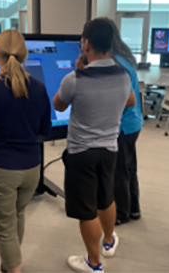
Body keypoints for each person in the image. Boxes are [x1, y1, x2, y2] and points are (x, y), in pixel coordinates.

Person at [53, 18, 136, 273]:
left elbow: (58, 105)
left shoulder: (74, 78)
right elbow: (130, 101)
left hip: (81, 154)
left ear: (86, 44)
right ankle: (109, 242)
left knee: (86, 210)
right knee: (105, 198)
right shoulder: (123, 75)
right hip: (109, 150)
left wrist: (79, 70)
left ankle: (94, 264)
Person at [0, 30, 52, 273]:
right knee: (17, 216)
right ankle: (10, 264)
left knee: (4, 226)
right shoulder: (39, 87)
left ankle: (13, 268)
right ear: (24, 55)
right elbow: (45, 129)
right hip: (32, 170)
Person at [102, 18, 144, 225]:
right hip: (133, 125)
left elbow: (128, 99)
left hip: (123, 127)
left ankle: (121, 213)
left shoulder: (115, 64)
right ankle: (133, 208)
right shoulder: (123, 57)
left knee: (119, 172)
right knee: (129, 169)